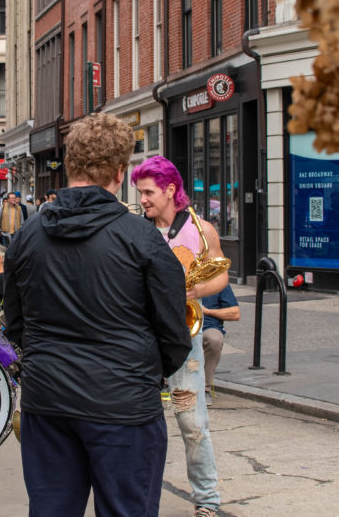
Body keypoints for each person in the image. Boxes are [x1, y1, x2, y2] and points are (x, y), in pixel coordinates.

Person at [4, 112, 191, 516]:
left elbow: (14, 323)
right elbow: (175, 333)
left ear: (70, 164)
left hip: (49, 401)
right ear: (120, 172)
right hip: (123, 405)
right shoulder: (142, 238)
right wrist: (146, 373)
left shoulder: (25, 237)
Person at [132, 155, 229, 517]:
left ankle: (207, 501)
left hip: (184, 338)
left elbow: (221, 275)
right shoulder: (135, 229)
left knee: (192, 424)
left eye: (148, 192)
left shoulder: (202, 229)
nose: (142, 199)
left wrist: (195, 291)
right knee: (138, 424)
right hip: (141, 340)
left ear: (171, 189)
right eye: (140, 192)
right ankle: (139, 501)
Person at [200, 284, 240, 407]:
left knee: (214, 339)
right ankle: (166, 383)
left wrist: (207, 311)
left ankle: (204, 389)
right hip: (181, 327)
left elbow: (235, 313)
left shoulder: (217, 281)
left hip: (207, 326)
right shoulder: (178, 275)